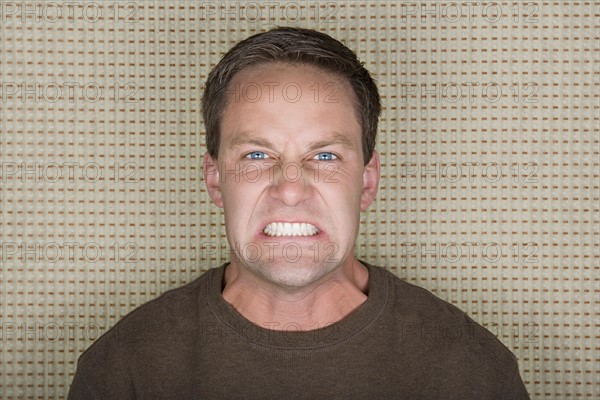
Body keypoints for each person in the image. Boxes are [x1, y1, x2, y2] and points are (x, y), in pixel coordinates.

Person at [68, 26, 530, 399]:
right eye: (256, 155)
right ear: (214, 179)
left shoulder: (472, 370)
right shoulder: (124, 368)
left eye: (325, 157)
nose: (290, 188)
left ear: (367, 180)